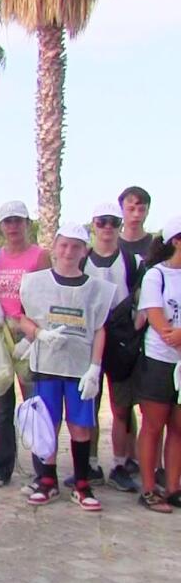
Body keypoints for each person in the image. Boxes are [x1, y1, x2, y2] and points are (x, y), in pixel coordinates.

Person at [18, 224, 114, 511]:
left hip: (79, 368)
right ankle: (46, 480)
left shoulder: (96, 288)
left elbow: (99, 328)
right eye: (64, 245)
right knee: (47, 423)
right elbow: (22, 318)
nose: (69, 251)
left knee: (80, 426)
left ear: (84, 250)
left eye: (75, 246)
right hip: (46, 364)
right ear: (55, 247)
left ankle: (82, 483)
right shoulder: (35, 282)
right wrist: (39, 334)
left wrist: (95, 368)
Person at [0, 201, 51, 488]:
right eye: (8, 222)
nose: (13, 227)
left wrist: (34, 336)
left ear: (27, 223)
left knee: (34, 404)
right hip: (1, 332)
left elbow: (49, 299)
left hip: (28, 334)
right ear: (1, 225)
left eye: (18, 221)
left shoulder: (39, 256)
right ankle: (2, 467)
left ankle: (42, 471)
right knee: (3, 406)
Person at [83, 201, 144, 492]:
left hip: (121, 340)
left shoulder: (132, 262)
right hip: (89, 338)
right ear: (93, 224)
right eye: (101, 221)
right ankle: (91, 464)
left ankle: (120, 463)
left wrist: (135, 330)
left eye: (112, 222)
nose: (107, 228)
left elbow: (143, 300)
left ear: (120, 226)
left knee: (121, 408)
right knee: (88, 406)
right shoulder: (83, 260)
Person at [133, 217, 181, 512]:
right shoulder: (157, 276)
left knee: (179, 428)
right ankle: (150, 488)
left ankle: (174, 486)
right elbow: (160, 324)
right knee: (154, 425)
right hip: (159, 361)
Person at [118, 186, 152, 259]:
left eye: (141, 210)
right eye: (131, 209)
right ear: (121, 210)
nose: (136, 214)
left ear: (147, 211)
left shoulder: (157, 247)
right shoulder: (111, 246)